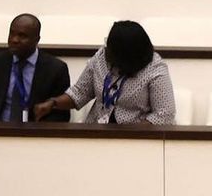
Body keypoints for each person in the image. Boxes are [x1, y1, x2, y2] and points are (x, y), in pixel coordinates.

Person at [32, 21, 176, 125]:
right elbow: (80, 92)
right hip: (97, 131)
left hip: (137, 138)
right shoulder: (101, 57)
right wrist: (53, 103)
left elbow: (164, 114)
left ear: (126, 53)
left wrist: (130, 135)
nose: (106, 50)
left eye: (112, 49)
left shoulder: (155, 69)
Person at [0, 14, 70, 122]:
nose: (14, 40)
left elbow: (61, 115)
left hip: (35, 133)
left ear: (37, 40)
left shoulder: (56, 69)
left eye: (22, 36)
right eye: (12, 33)